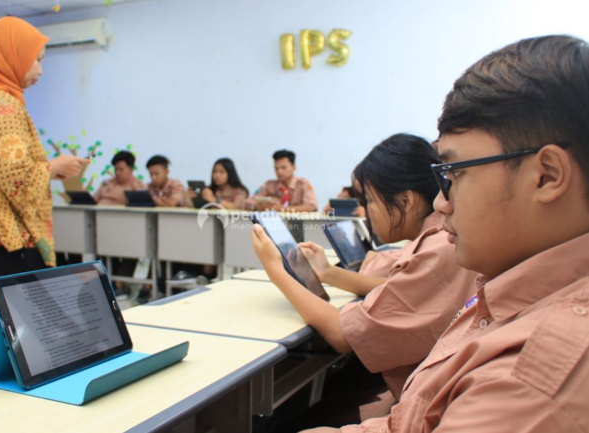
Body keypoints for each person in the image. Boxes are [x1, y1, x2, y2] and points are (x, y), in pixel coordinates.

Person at [302, 35, 589, 433]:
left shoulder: (527, 384)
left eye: (454, 174)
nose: (441, 202)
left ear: (546, 176)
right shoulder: (502, 285)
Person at [252, 134, 479, 406]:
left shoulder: (437, 249)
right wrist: (328, 272)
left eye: (370, 200)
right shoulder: (439, 237)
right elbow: (399, 287)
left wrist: (277, 270)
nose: (366, 212)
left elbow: (341, 334)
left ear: (405, 201)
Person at [0, 17, 86, 352]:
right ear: (13, 55)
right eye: (36, 59)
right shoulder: (1, 104)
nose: (40, 70)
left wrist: (49, 170)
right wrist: (53, 166)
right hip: (6, 237)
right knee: (36, 334)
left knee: (5, 335)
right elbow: (16, 178)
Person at [247, 149, 318, 212]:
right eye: (276, 168)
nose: (279, 172)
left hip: (297, 222)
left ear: (294, 167)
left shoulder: (303, 184)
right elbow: (248, 202)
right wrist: (257, 207)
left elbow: (311, 207)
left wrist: (282, 209)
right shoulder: (269, 185)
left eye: (283, 168)